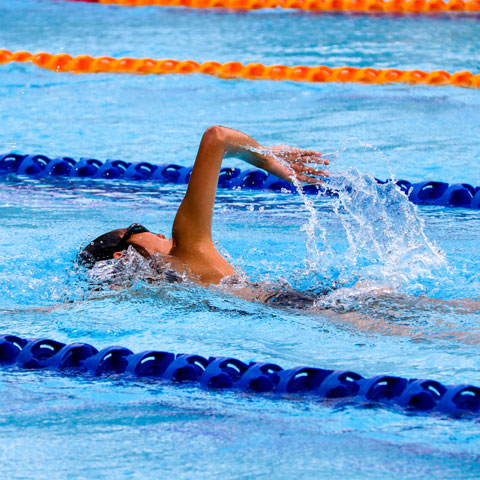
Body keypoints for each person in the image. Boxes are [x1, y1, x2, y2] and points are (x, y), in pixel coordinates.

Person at [80, 126, 329, 307]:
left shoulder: (169, 291)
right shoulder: (185, 246)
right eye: (138, 228)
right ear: (122, 256)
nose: (158, 233)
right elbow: (217, 137)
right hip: (305, 305)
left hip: (292, 308)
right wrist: (267, 159)